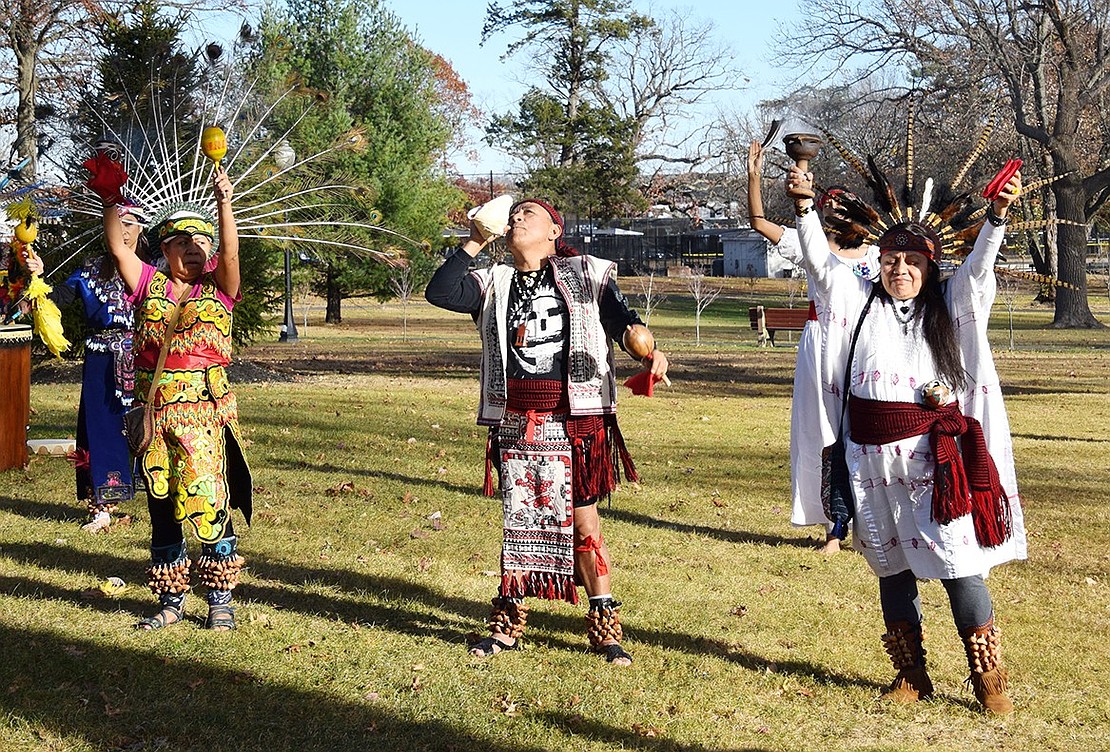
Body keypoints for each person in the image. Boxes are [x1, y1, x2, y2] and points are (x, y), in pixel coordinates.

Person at [787, 163, 1027, 713]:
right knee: (890, 565)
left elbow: (980, 269)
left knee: (958, 562)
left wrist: (996, 217)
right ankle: (911, 673)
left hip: (933, 462)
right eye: (892, 259)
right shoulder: (856, 300)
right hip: (869, 459)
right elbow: (821, 266)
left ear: (929, 265)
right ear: (878, 262)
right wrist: (804, 210)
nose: (900, 268)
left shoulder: (952, 304)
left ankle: (987, 675)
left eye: (912, 260)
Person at [425, 198, 669, 666]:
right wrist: (476, 240)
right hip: (516, 419)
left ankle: (604, 626)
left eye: (528, 214)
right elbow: (440, 291)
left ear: (555, 230)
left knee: (583, 522)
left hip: (576, 419)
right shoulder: (492, 281)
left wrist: (647, 351)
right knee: (520, 522)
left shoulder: (586, 274)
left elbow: (622, 320)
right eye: (513, 215)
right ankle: (508, 623)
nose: (516, 218)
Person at [88, 150, 252, 631]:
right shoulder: (147, 284)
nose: (196, 248)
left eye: (202, 241)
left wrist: (225, 203)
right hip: (156, 416)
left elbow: (233, 253)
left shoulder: (219, 289)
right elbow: (119, 249)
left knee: (208, 501)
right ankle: (171, 599)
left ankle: (220, 598)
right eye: (184, 241)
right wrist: (110, 201)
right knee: (162, 502)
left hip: (204, 416)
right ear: (166, 249)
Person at [747, 141, 878, 553]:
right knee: (821, 433)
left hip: (865, 346)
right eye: (830, 206)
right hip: (819, 345)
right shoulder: (813, 242)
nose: (835, 212)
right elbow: (759, 222)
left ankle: (870, 523)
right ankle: (834, 527)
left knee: (865, 430)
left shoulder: (879, 254)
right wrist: (755, 176)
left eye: (843, 206)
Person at [24, 202, 147, 532]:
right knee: (100, 428)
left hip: (144, 356)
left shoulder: (153, 271)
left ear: (141, 230)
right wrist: (38, 276)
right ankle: (101, 505)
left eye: (131, 224)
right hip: (101, 359)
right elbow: (58, 296)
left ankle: (164, 497)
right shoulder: (91, 270)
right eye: (117, 223)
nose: (124, 230)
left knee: (149, 426)